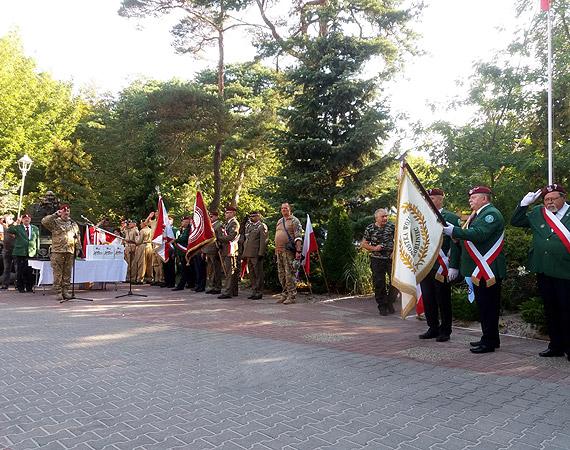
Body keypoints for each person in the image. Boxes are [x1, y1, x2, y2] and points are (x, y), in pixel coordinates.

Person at [443, 186, 506, 354]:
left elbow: (479, 235)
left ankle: (489, 342)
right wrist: (456, 233)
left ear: (484, 199)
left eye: (474, 197)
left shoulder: (491, 214)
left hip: (489, 269)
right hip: (480, 268)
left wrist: (455, 231)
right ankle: (490, 337)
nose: (470, 199)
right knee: (484, 306)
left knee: (488, 306)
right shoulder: (477, 215)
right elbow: (468, 237)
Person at [511, 184, 570, 361]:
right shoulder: (538, 212)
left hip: (565, 269)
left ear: (563, 197)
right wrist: (523, 204)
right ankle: (555, 345)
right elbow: (516, 221)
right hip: (543, 268)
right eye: (546, 199)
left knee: (567, 309)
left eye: (553, 198)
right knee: (550, 308)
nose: (549, 202)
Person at [419, 189, 461, 341]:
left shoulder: (451, 218)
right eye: (426, 198)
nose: (428, 201)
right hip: (425, 265)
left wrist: (454, 266)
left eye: (430, 198)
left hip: (442, 265)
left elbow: (456, 244)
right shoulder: (421, 218)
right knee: (428, 298)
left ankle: (445, 329)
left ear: (439, 200)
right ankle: (432, 327)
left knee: (443, 299)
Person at [362, 209, 398, 315]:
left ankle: (389, 301)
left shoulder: (392, 227)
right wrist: (375, 248)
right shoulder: (370, 228)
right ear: (376, 218)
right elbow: (364, 244)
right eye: (382, 216)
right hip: (377, 260)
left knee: (395, 282)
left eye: (386, 216)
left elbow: (399, 240)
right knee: (379, 283)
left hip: (391, 259)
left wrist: (394, 252)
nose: (385, 218)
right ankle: (382, 306)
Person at [41, 204, 81, 301]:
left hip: (69, 251)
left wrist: (78, 248)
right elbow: (44, 221)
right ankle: (58, 292)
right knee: (58, 273)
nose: (66, 213)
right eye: (64, 211)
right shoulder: (55, 222)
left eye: (68, 211)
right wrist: (55, 214)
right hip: (58, 251)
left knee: (67, 272)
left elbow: (77, 236)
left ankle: (65, 291)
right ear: (61, 212)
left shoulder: (73, 224)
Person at [275, 203, 303, 305]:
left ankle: (292, 296)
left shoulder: (294, 221)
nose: (283, 210)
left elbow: (298, 236)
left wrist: (298, 251)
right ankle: (285, 294)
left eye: (285, 208)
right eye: (282, 208)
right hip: (280, 251)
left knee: (289, 274)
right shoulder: (279, 221)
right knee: (281, 274)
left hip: (289, 252)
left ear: (290, 209)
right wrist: (276, 250)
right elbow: (276, 236)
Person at [6, 214, 40, 293]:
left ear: (30, 220)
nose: (26, 219)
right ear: (22, 220)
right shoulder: (18, 228)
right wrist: (15, 223)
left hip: (31, 252)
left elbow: (37, 240)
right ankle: (20, 287)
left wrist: (37, 251)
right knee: (20, 270)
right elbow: (9, 230)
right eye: (24, 218)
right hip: (20, 252)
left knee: (30, 271)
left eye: (28, 218)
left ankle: (29, 287)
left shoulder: (35, 228)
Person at [243, 211, 269, 300]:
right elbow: (247, 240)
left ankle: (259, 292)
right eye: (251, 216)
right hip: (249, 253)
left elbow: (263, 241)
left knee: (258, 273)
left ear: (258, 216)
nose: (251, 218)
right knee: (252, 273)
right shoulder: (250, 226)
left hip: (256, 253)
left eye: (253, 216)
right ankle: (254, 291)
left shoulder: (262, 226)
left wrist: (261, 253)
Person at [217, 206, 240, 299]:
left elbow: (231, 236)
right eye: (226, 212)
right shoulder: (228, 223)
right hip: (226, 249)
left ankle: (228, 292)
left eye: (228, 212)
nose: (225, 214)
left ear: (233, 214)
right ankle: (233, 290)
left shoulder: (234, 223)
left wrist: (220, 239)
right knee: (231, 271)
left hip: (231, 250)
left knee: (230, 271)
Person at [203, 211, 223, 295]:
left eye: (211, 217)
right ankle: (213, 286)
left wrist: (220, 250)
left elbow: (221, 238)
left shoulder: (219, 225)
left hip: (215, 250)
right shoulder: (209, 226)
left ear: (216, 217)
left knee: (216, 270)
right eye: (209, 217)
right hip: (209, 250)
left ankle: (218, 287)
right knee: (211, 270)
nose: (210, 218)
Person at [172, 216, 194, 291]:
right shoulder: (183, 230)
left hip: (186, 253)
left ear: (188, 222)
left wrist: (176, 240)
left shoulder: (188, 229)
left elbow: (184, 238)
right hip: (182, 253)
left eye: (183, 221)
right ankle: (190, 283)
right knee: (185, 269)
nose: (182, 223)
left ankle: (181, 285)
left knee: (185, 270)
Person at [134, 217, 153, 284]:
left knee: (142, 263)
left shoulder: (142, 231)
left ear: (145, 224)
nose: (140, 224)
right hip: (150, 246)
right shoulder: (151, 230)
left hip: (143, 246)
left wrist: (136, 239)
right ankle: (150, 278)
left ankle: (140, 279)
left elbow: (139, 241)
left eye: (141, 223)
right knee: (149, 263)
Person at [1, 214, 15, 290]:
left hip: (15, 250)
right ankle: (5, 284)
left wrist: (4, 225)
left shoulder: (14, 226)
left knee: (17, 268)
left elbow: (13, 235)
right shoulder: (4, 226)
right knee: (6, 268)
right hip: (6, 250)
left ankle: (17, 284)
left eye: (7, 219)